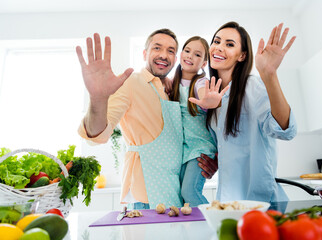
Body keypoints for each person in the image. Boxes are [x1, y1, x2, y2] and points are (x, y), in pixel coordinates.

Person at [76, 29, 215, 209]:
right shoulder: (131, 83)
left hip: (173, 190)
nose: (164, 55)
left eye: (171, 51)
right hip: (145, 192)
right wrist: (97, 99)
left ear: (176, 58)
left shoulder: (173, 89)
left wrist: (209, 162)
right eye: (157, 48)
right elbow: (98, 134)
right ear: (144, 53)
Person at [189, 22, 297, 202]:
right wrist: (217, 162)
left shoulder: (252, 86)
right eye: (216, 41)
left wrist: (269, 74)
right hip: (227, 203)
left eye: (229, 44)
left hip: (260, 202)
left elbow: (284, 130)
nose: (219, 47)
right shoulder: (210, 95)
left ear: (242, 56)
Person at [168, 36, 229, 207]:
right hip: (185, 149)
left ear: (203, 63)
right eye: (187, 51)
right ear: (181, 54)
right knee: (180, 195)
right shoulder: (172, 84)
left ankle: (216, 222)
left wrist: (208, 101)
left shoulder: (200, 82)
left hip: (201, 148)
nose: (189, 56)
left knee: (189, 191)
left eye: (197, 54)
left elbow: (204, 93)